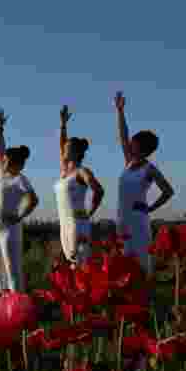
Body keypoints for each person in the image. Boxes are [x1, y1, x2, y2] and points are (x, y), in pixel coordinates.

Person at [113, 91, 175, 274]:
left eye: (134, 143)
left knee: (140, 262)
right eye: (130, 143)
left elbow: (168, 191)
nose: (129, 144)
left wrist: (150, 208)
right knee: (123, 263)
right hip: (122, 218)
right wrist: (120, 111)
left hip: (138, 221)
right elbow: (122, 136)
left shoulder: (149, 169)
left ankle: (146, 297)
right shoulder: (128, 162)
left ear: (142, 147)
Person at [0, 109, 39, 293]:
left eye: (7, 161)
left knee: (12, 271)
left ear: (17, 164)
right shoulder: (1, 176)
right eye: (4, 160)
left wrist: (18, 216)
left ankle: (17, 309)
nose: (3, 162)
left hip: (9, 230)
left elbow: (34, 200)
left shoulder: (21, 179)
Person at [55, 105, 104, 266]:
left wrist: (90, 211)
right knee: (72, 266)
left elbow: (99, 190)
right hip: (64, 224)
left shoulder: (82, 171)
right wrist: (63, 125)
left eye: (67, 149)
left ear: (75, 152)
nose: (63, 150)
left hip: (77, 224)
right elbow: (61, 143)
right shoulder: (64, 171)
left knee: (81, 266)